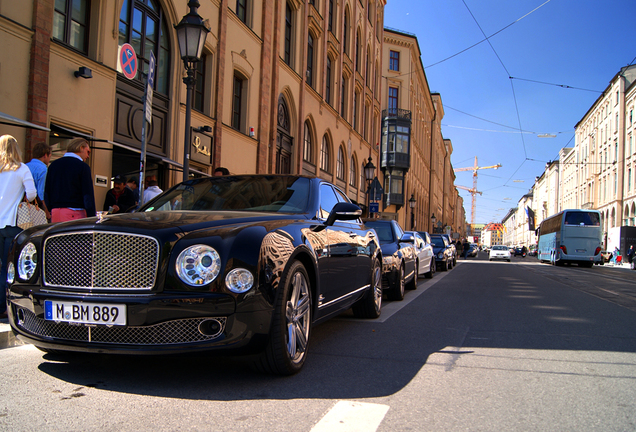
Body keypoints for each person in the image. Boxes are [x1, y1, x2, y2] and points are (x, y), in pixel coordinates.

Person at [0, 135, 37, 318]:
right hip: (12, 222)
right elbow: (31, 194)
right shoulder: (22, 169)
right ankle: (5, 307)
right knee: (8, 268)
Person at [44, 138, 96, 223]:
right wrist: (92, 217)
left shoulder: (53, 165)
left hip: (55, 212)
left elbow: (46, 192)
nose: (88, 156)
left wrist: (51, 208)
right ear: (81, 148)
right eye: (88, 151)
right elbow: (87, 195)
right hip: (75, 213)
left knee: (57, 236)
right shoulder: (83, 167)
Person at [25, 142, 51, 220]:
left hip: (23, 206)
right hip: (37, 208)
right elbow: (41, 193)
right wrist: (46, 211)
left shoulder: (25, 166)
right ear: (45, 155)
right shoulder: (43, 170)